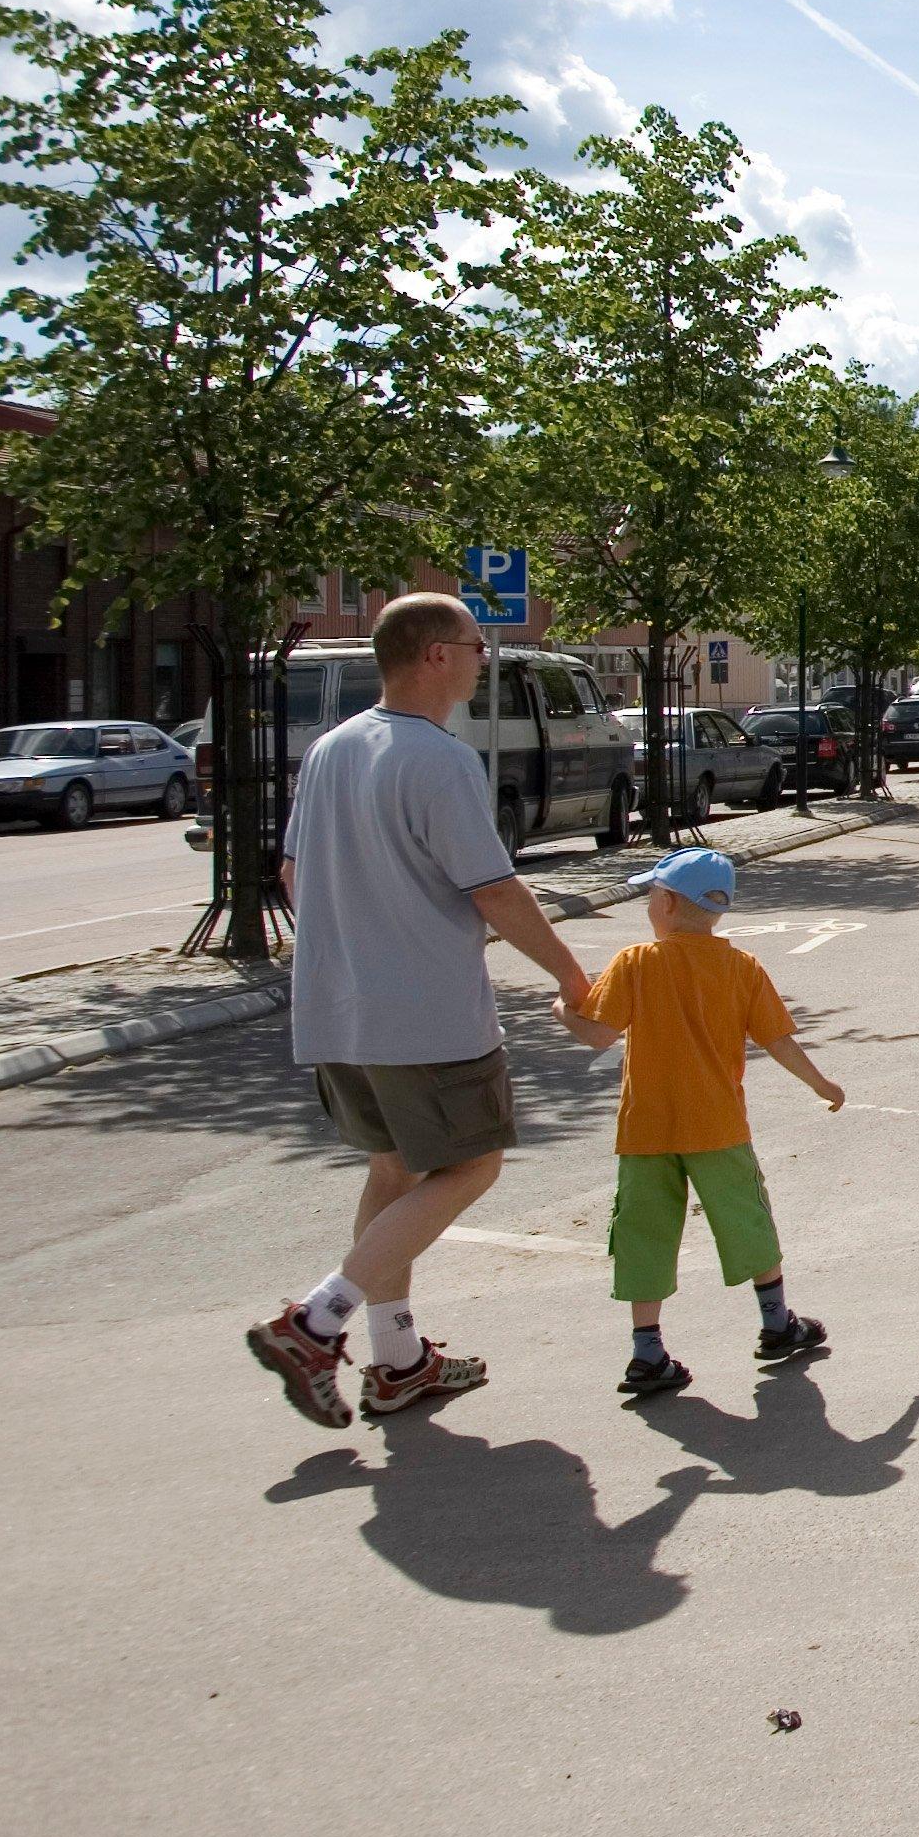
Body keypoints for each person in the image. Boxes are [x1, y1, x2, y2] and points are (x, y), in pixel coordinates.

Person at [247, 592, 601, 1430]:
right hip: (426, 1012)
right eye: (477, 646)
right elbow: (494, 890)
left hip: (337, 1008)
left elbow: (294, 878)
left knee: (392, 1172)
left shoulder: (330, 749)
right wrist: (571, 975)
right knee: (471, 1164)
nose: (485, 659)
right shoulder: (439, 759)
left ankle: (398, 1362)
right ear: (435, 654)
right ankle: (315, 1323)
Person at [570, 849, 841, 1402]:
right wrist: (820, 1084)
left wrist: (561, 1008)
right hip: (718, 1126)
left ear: (667, 904)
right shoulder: (741, 967)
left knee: (643, 1233)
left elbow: (597, 1034)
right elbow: (777, 1040)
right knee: (746, 1219)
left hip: (645, 1130)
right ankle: (775, 1323)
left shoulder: (634, 962)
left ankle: (647, 1352)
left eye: (650, 895)